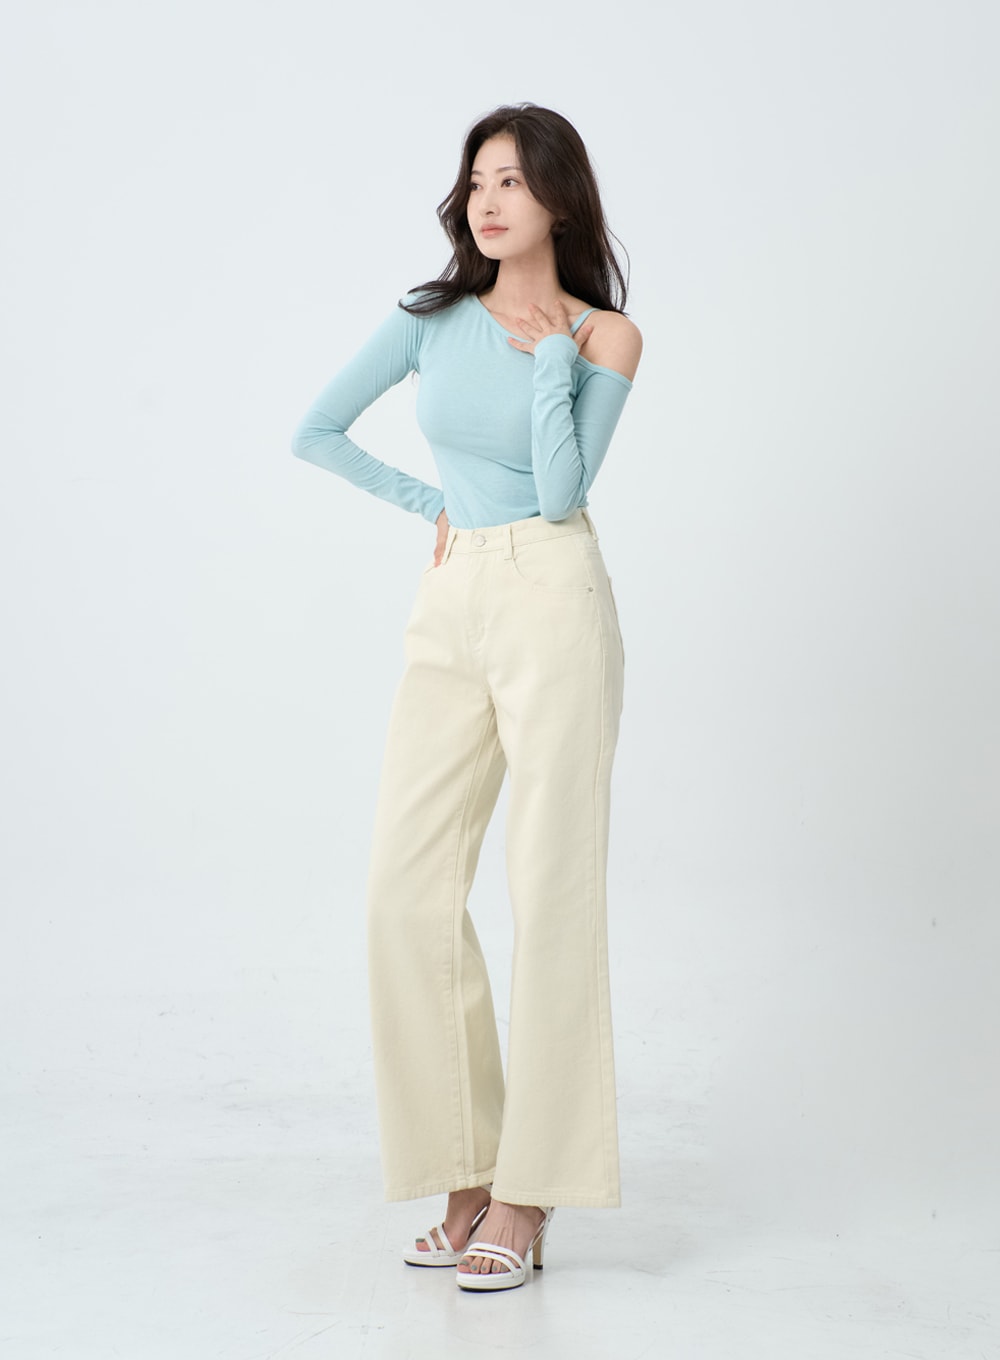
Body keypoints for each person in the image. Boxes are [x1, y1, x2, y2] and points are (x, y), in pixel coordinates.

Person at [292, 103, 642, 1292]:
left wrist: (550, 360)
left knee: (550, 887)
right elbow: (315, 430)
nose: (488, 201)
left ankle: (530, 1192)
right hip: (452, 597)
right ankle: (463, 1174)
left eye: (512, 181)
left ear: (558, 199)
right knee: (405, 885)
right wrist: (430, 505)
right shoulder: (426, 318)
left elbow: (559, 491)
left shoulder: (604, 335)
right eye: (476, 180)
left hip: (553, 592)